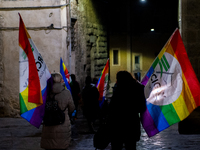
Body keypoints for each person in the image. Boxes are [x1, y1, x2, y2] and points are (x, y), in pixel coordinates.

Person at [107, 71, 146, 150]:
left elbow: (112, 109)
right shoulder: (137, 89)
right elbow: (142, 108)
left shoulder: (118, 90)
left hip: (117, 125)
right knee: (131, 146)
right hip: (131, 123)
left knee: (117, 146)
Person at [41, 72, 75, 150]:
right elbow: (72, 108)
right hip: (63, 125)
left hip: (48, 124)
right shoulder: (66, 93)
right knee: (62, 145)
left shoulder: (45, 93)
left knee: (49, 145)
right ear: (60, 80)